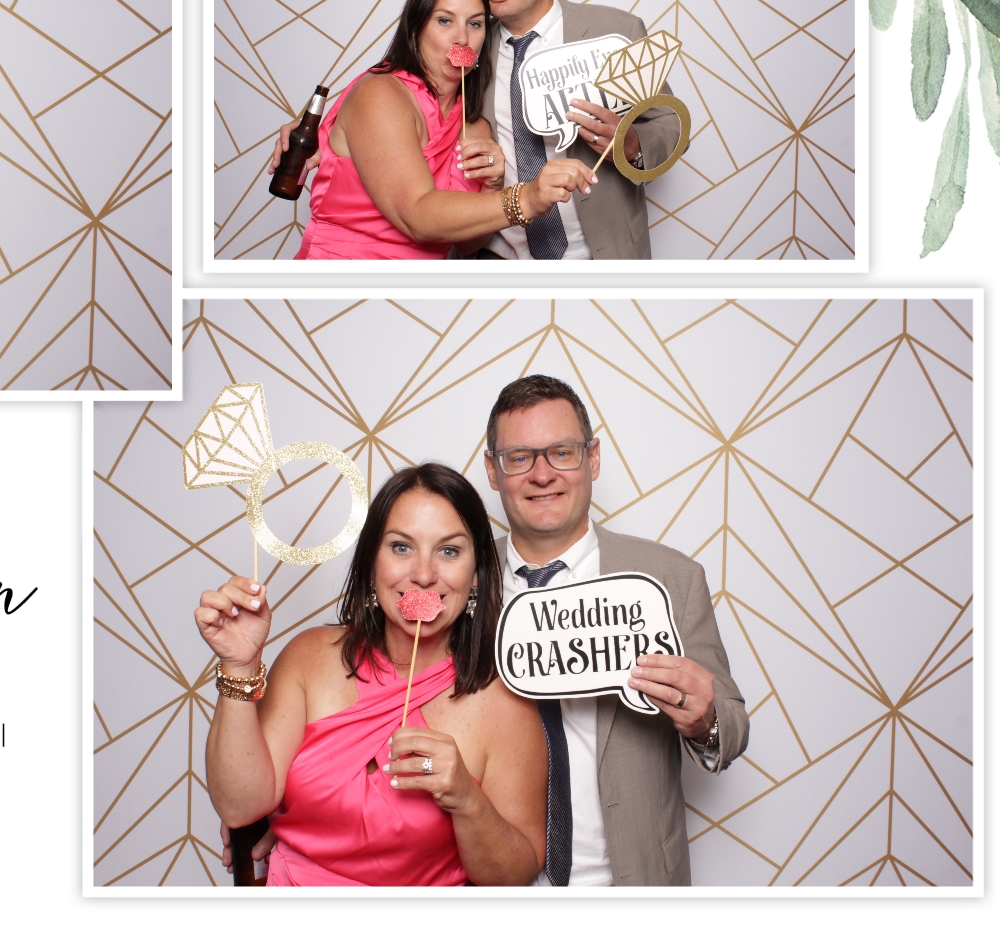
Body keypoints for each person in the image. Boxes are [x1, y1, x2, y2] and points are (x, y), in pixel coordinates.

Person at [197, 463, 547, 886]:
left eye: (449, 551)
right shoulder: (309, 657)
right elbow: (239, 808)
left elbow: (517, 873)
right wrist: (239, 665)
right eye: (401, 547)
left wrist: (467, 799)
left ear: (475, 576)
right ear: (370, 564)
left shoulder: (506, 703)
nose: (423, 574)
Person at [483, 375, 747, 885]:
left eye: (562, 452)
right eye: (519, 458)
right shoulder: (459, 584)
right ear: (494, 471)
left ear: (593, 458)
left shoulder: (671, 579)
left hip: (635, 880)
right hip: (498, 882)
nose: (542, 474)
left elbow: (732, 727)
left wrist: (706, 720)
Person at [272, 0, 599, 259]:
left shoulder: (475, 127)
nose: (462, 37)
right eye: (445, 20)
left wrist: (492, 185)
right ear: (415, 30)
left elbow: (469, 245)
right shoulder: (380, 94)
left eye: (475, 24)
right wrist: (526, 198)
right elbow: (416, 216)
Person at [465, 0, 681, 259]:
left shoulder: (616, 32)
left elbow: (669, 124)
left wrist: (631, 144)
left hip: (603, 256)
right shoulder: (469, 50)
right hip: (501, 258)